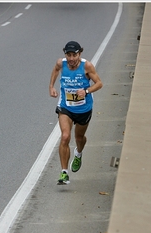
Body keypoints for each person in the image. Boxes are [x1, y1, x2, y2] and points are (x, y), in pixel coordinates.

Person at [49, 41, 103, 185]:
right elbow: (55, 70)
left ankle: (78, 154)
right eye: (69, 55)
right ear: (65, 54)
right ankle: (64, 173)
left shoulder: (87, 66)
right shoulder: (61, 63)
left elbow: (99, 83)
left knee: (79, 138)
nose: (71, 58)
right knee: (65, 136)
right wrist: (51, 87)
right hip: (66, 106)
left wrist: (86, 91)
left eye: (74, 55)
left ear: (80, 54)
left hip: (83, 109)